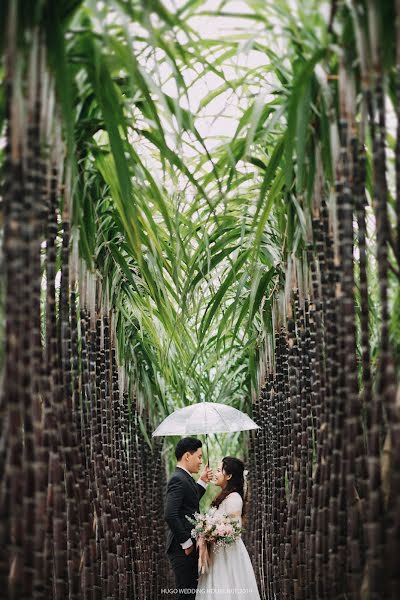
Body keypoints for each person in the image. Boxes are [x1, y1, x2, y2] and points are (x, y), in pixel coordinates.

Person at [195, 456, 261, 599]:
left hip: (228, 554)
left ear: (229, 476)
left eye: (219, 470)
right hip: (218, 552)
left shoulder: (234, 499)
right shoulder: (224, 496)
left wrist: (209, 531)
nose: (216, 473)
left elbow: (233, 531)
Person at [164, 437, 213, 599]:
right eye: (199, 456)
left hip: (188, 547)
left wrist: (203, 482)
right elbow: (170, 514)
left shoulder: (185, 478)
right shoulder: (178, 479)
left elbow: (189, 503)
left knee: (191, 593)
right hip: (181, 548)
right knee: (186, 595)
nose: (201, 461)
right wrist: (187, 543)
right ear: (187, 456)